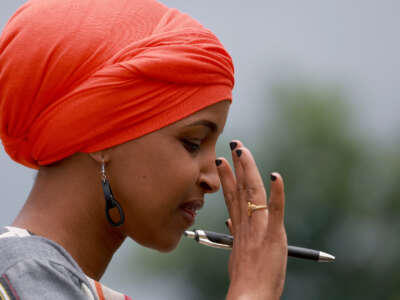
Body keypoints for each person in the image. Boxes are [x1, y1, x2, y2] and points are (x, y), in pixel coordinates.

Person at [0, 0, 288, 299]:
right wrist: (251, 293)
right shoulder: (22, 276)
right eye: (192, 143)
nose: (212, 181)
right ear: (102, 130)